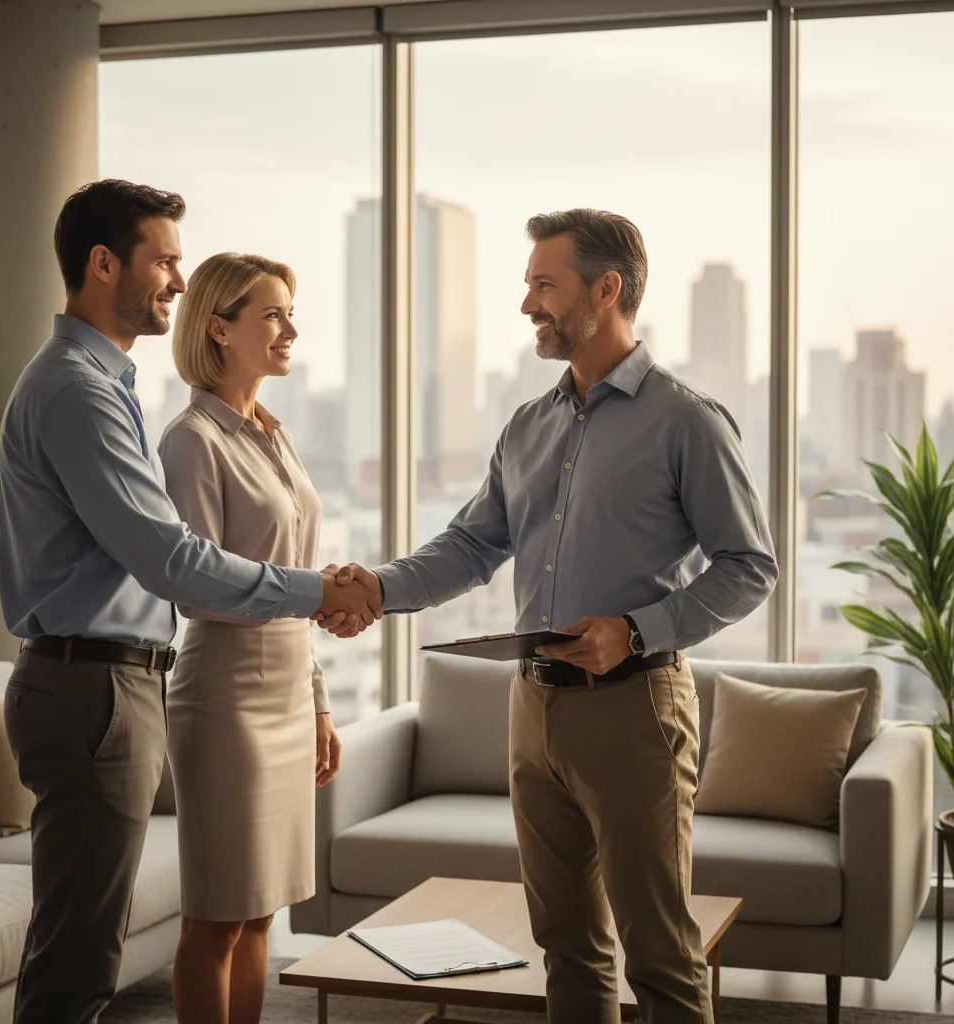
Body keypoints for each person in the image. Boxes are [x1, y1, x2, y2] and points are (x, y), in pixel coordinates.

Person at [328, 208, 778, 1023]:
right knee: (566, 944)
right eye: (529, 283)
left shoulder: (687, 421)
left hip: (635, 709)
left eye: (545, 284)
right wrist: (378, 588)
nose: (528, 303)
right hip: (533, 708)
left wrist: (637, 629)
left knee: (662, 954)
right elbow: (471, 545)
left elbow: (751, 568)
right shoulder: (529, 424)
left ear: (607, 291)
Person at [0, 179, 379, 1024]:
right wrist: (320, 593)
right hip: (93, 685)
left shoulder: (107, 386)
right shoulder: (80, 392)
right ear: (104, 265)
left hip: (116, 681)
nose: (176, 276)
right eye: (163, 259)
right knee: (79, 957)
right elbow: (172, 558)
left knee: (86, 944)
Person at [156, 253, 341, 1024]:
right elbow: (201, 589)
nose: (290, 329)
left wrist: (320, 702)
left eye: (289, 312)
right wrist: (321, 596)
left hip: (288, 697)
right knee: (218, 916)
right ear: (218, 327)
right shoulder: (191, 440)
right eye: (273, 314)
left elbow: (289, 572)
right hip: (226, 701)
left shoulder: (274, 432)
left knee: (264, 912)